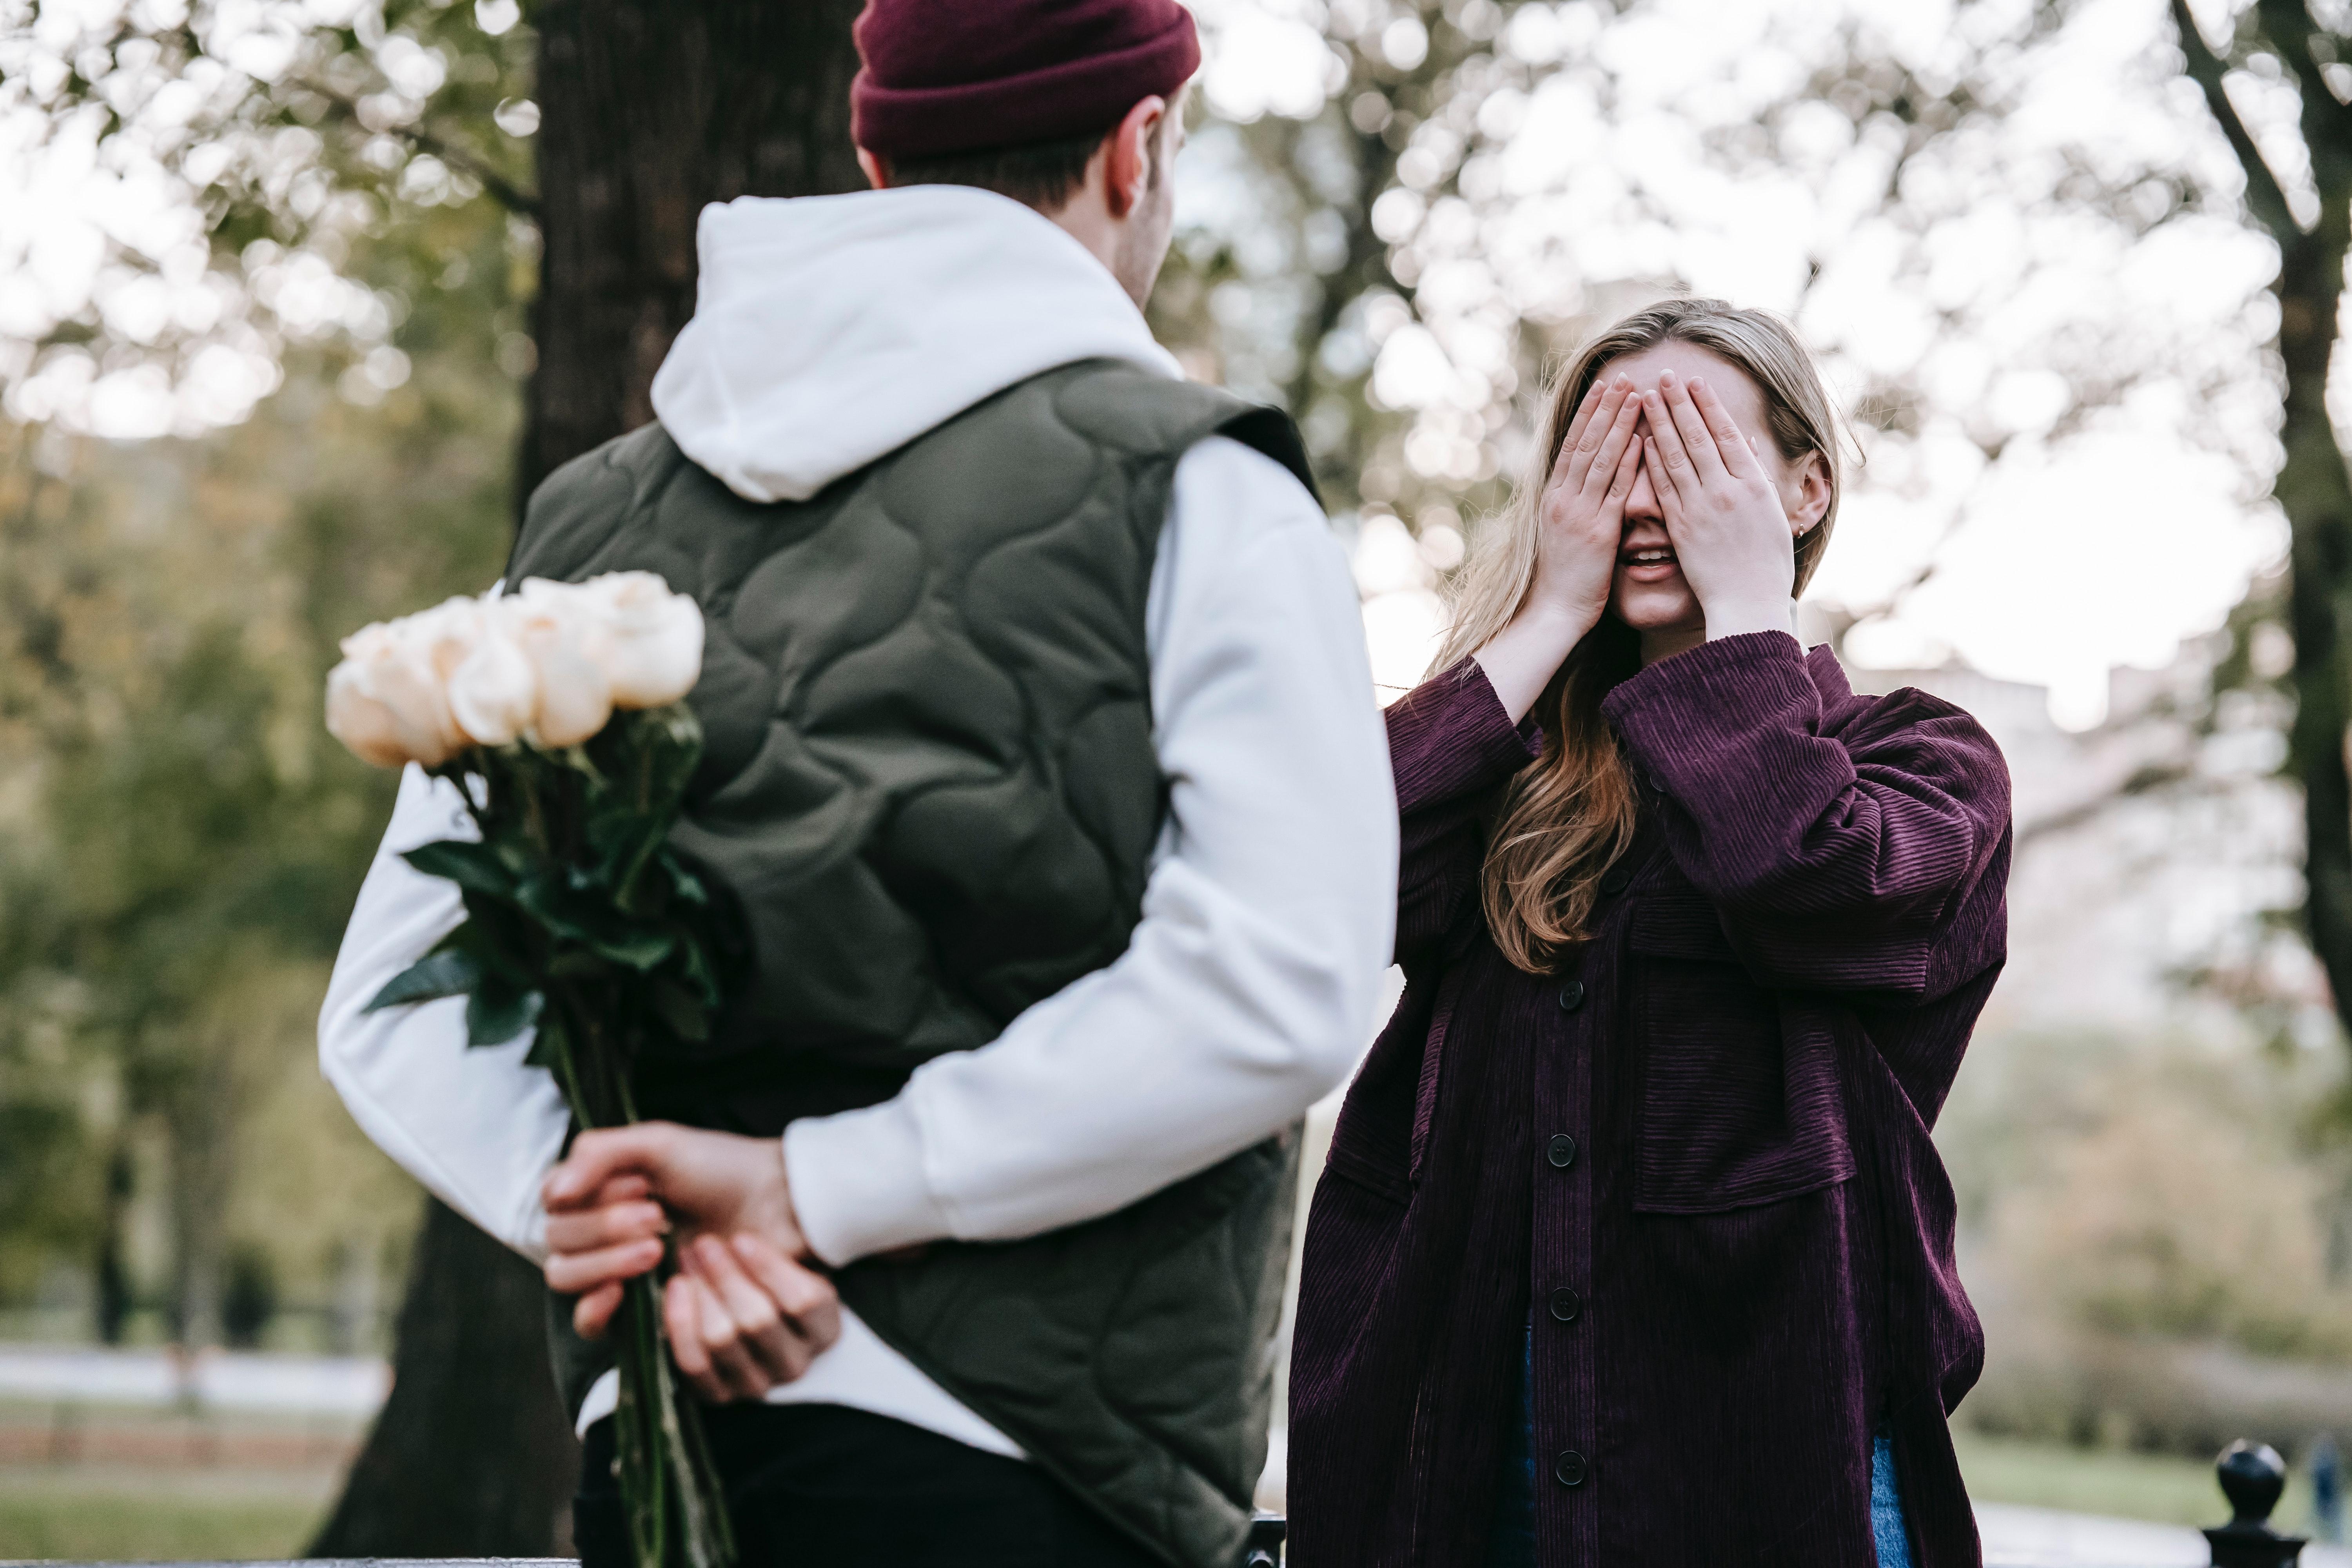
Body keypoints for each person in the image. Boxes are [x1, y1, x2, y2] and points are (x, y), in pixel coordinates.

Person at [316, 2, 1397, 1563]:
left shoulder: (592, 521)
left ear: (873, 151)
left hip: (672, 1423)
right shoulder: (1203, 484)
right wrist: (803, 1190)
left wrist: (629, 1215)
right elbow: (1282, 983)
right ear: (1139, 143)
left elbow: (402, 998)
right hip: (1039, 1458)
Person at [1284, 298, 2012, 1568]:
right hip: (1462, 1446)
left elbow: (1806, 875)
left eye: (1694, 451)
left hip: (1771, 1459)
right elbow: (1314, 884)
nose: (1647, 491)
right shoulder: (1501, 761)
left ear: (1804, 488)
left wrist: (1745, 616)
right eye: (1610, 454)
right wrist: (1550, 613)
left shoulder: (1921, 761)